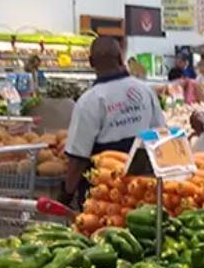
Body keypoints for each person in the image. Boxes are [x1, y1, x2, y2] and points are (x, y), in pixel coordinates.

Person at [62, 36, 165, 207]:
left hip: (105, 195)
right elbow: (161, 136)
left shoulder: (89, 101)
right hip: (142, 189)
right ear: (120, 58)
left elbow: (78, 158)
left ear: (91, 62)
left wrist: (66, 195)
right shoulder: (145, 91)